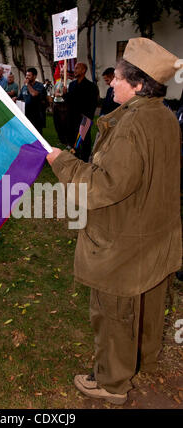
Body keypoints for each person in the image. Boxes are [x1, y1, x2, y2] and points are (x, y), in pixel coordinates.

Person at [47, 38, 182, 405]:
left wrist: (61, 162)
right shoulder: (164, 116)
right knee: (147, 308)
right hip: (154, 235)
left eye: (118, 78)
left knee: (114, 314)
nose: (111, 82)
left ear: (138, 84)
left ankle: (111, 383)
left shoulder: (132, 125)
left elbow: (103, 186)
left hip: (123, 242)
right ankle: (140, 363)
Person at [63, 62, 98, 161]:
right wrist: (65, 95)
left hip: (84, 118)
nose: (75, 70)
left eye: (77, 68)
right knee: (73, 139)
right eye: (74, 68)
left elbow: (93, 103)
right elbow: (70, 101)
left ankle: (85, 160)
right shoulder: (72, 84)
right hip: (72, 118)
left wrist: (87, 117)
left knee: (84, 140)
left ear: (83, 70)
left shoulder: (91, 86)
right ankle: (75, 158)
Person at [15, 67, 47, 135]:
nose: (27, 77)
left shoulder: (39, 86)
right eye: (26, 75)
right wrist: (15, 98)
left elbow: (34, 94)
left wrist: (28, 85)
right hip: (26, 115)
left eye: (29, 75)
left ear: (34, 76)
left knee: (37, 135)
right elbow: (20, 97)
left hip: (37, 116)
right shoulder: (24, 87)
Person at [53, 65, 72, 146]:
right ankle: (61, 140)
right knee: (57, 123)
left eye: (63, 72)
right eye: (60, 72)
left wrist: (60, 94)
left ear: (67, 74)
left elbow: (69, 94)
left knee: (65, 123)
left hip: (64, 105)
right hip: (56, 104)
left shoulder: (70, 83)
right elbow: (54, 93)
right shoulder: (57, 82)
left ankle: (67, 141)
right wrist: (55, 94)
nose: (61, 74)